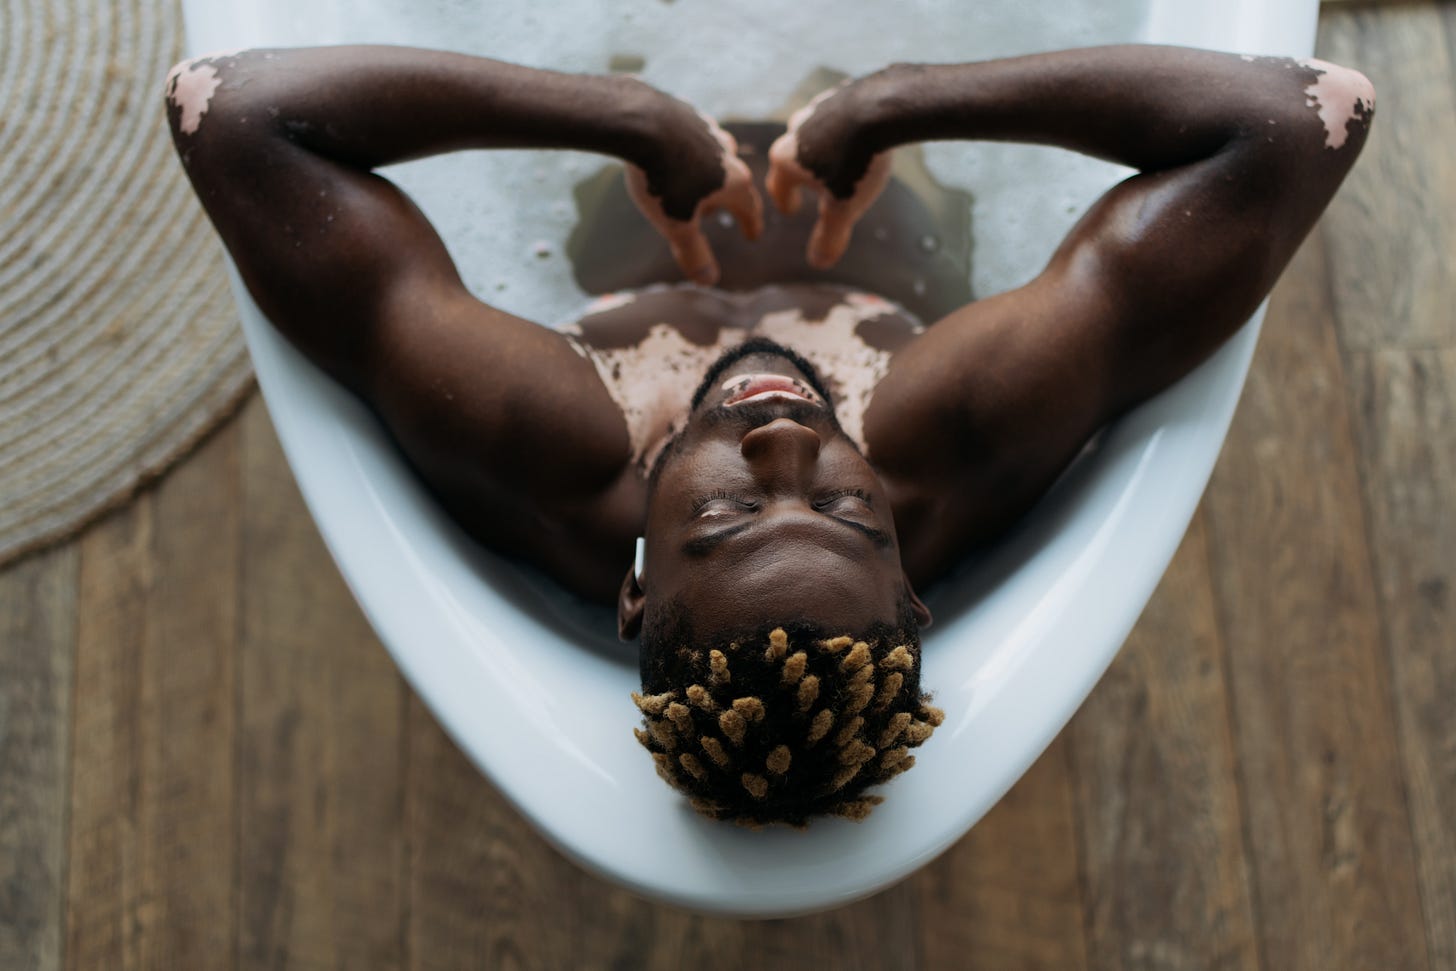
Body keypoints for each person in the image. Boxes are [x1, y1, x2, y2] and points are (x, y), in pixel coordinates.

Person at [164, 44, 1374, 826]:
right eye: (850, 512)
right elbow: (1310, 114)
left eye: (725, 516)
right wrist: (900, 99)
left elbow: (227, 115)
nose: (789, 445)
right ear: (912, 582)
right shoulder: (948, 434)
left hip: (628, 193)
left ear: (636, 588)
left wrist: (622, 114)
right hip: (888, 198)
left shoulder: (548, 443)